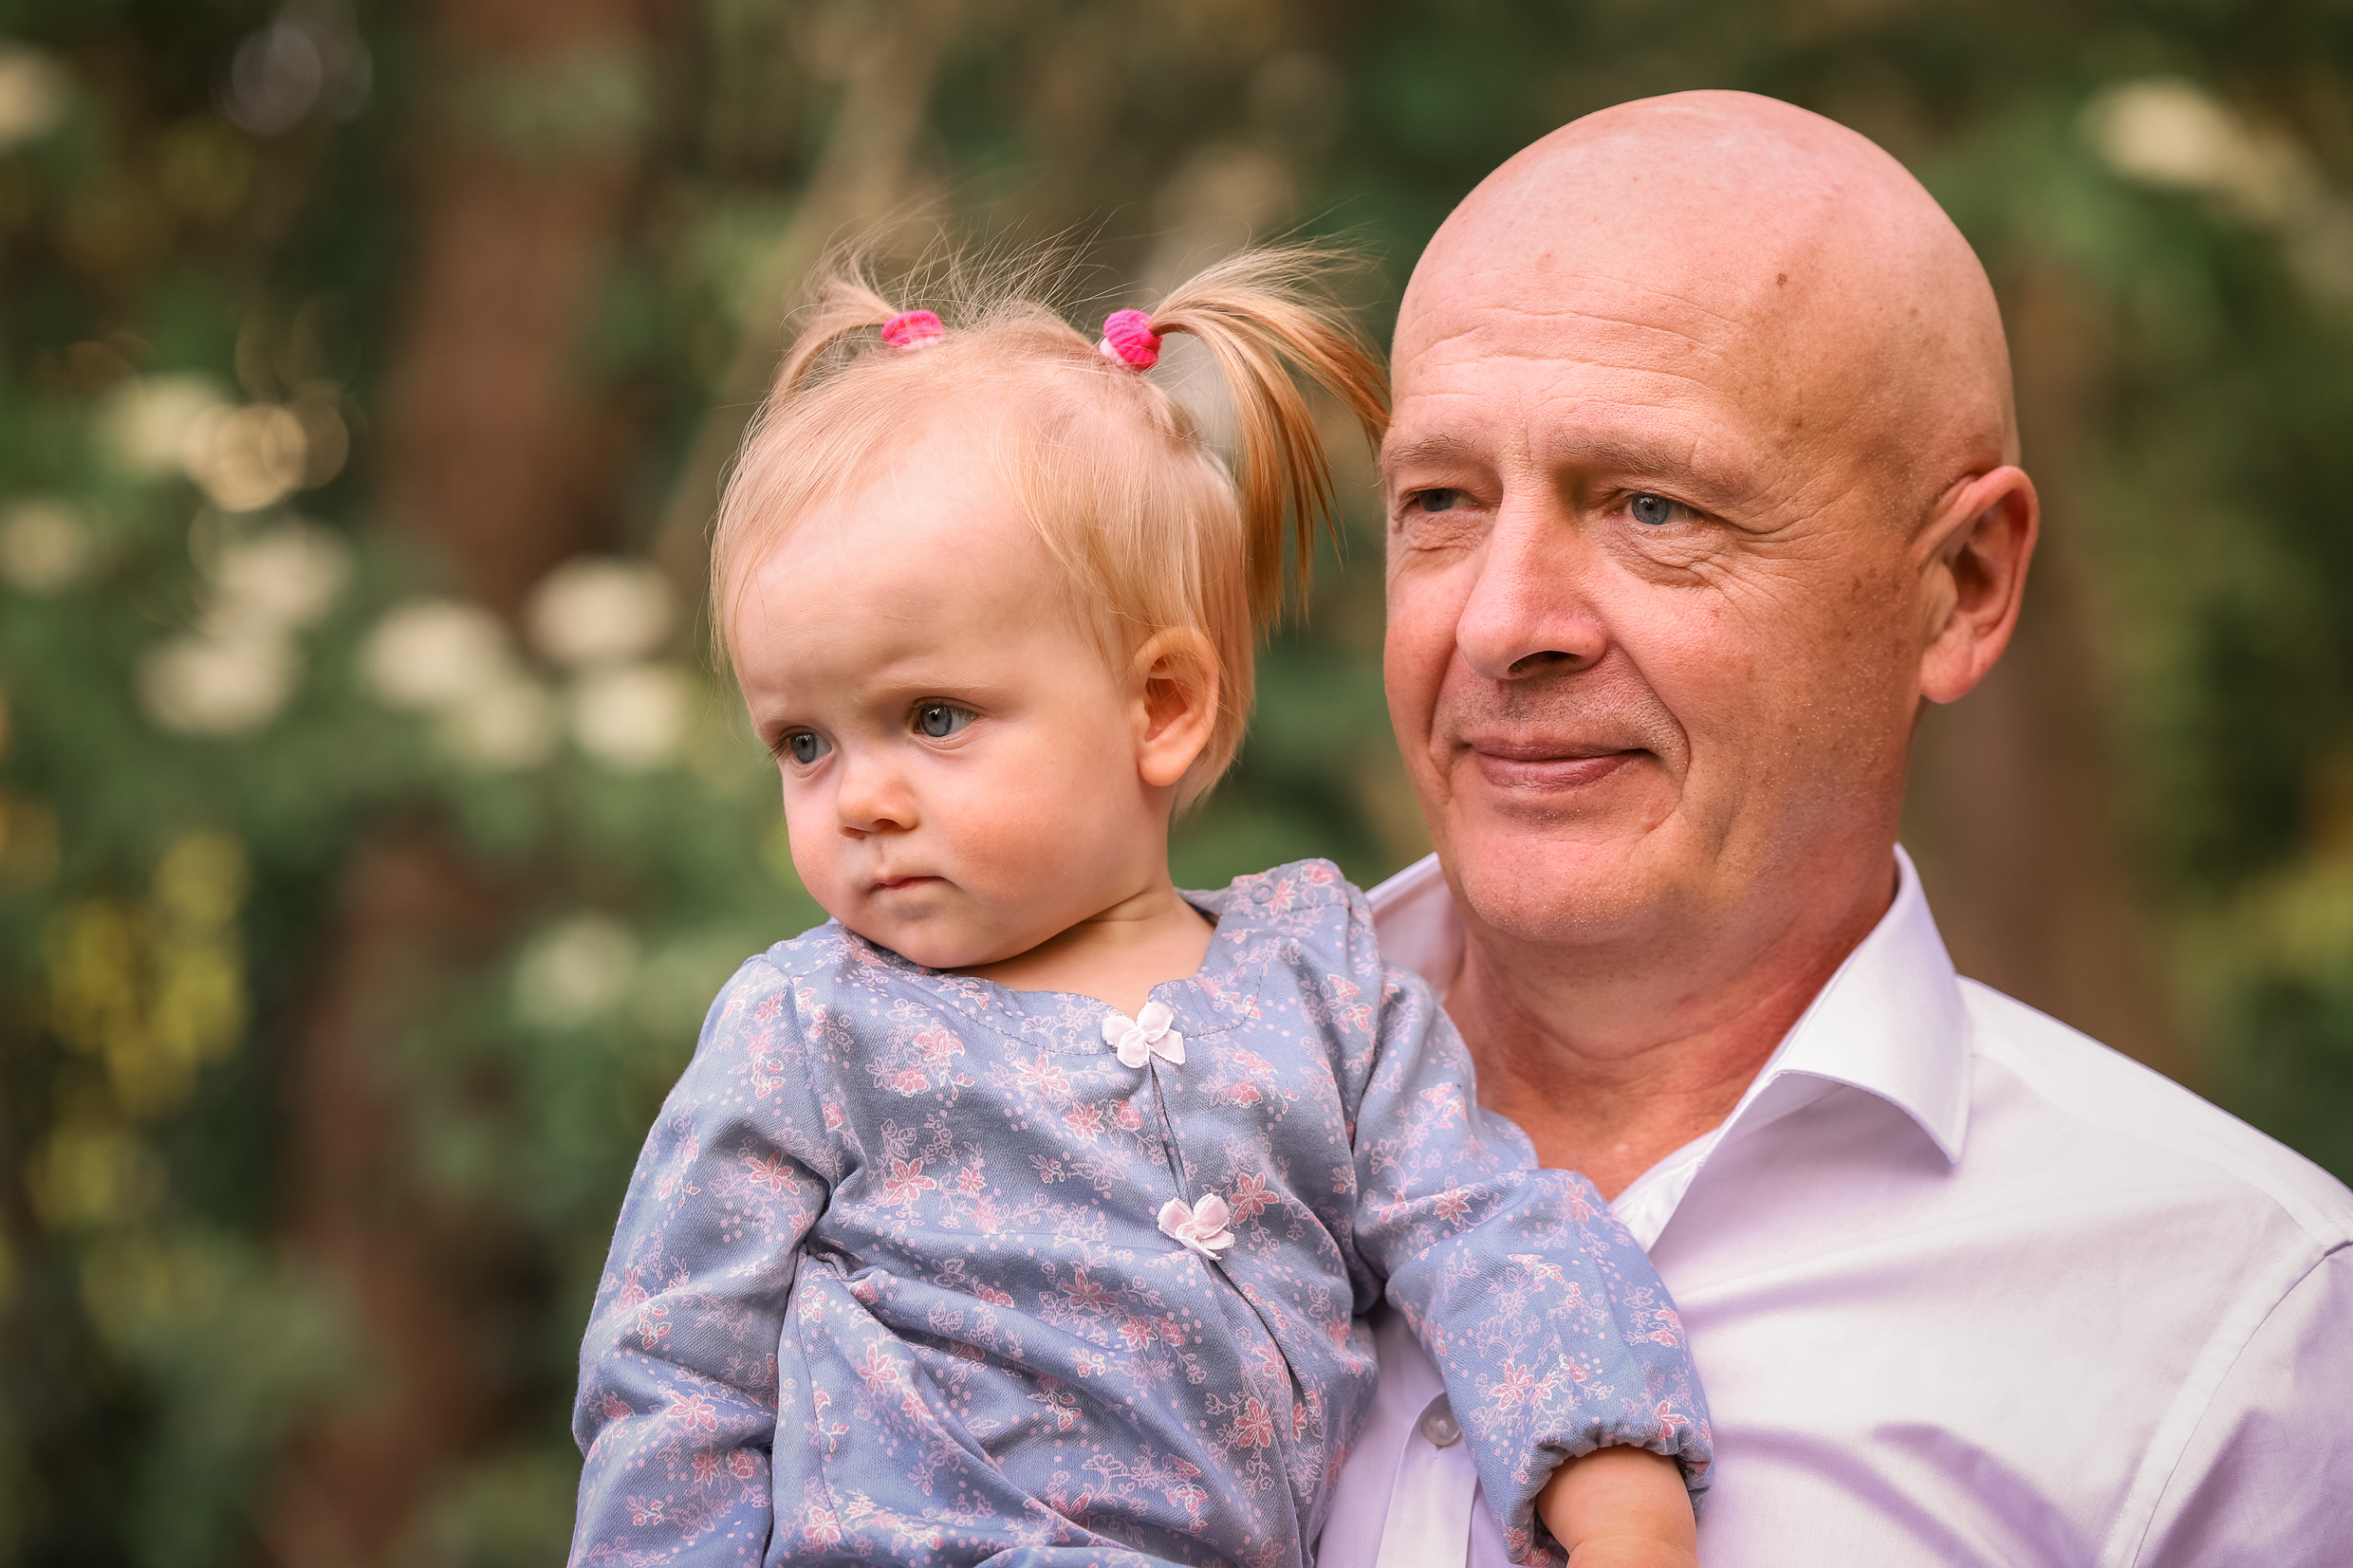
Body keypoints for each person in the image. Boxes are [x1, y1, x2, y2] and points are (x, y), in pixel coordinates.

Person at [1314, 91, 2353, 1568]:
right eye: (1442, 500)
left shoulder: (2236, 1333)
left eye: (1654, 507)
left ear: (1964, 586)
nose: (1501, 621)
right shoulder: (1071, 1098)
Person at [567, 250, 1713, 1568]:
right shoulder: (812, 1025)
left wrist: (1611, 1464)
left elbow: (1483, 1223)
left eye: (932, 717)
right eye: (804, 743)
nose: (859, 799)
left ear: (1161, 706)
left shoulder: (1316, 988)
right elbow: (675, 1369)